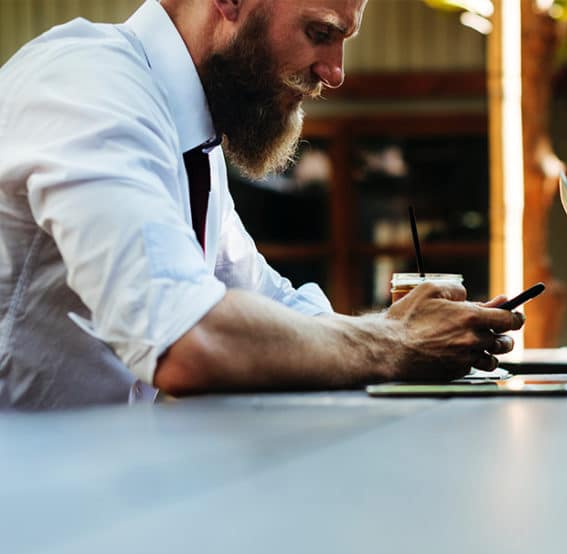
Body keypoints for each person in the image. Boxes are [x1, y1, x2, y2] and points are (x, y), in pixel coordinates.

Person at [0, 0, 522, 409]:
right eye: (320, 33)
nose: (335, 72)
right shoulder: (89, 87)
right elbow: (190, 340)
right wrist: (393, 341)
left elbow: (270, 303)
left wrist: (418, 329)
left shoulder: (189, 138)